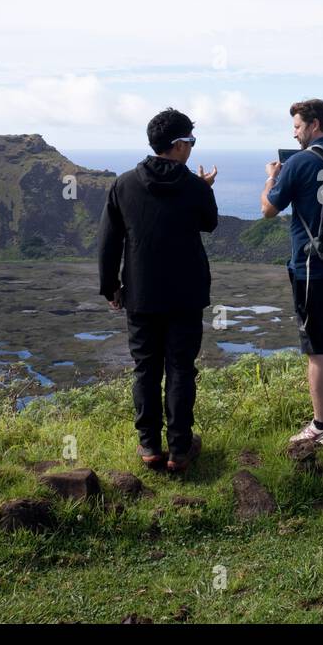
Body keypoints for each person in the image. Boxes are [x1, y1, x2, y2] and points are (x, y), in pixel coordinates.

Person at [99, 108, 218, 473]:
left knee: (145, 368)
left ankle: (149, 446)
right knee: (181, 369)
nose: (192, 148)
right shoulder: (195, 187)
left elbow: (108, 242)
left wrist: (110, 287)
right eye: (191, 142)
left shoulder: (123, 184)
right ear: (179, 145)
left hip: (141, 293)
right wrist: (204, 189)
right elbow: (209, 224)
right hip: (185, 294)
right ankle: (180, 450)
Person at [260, 99, 323, 449]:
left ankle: (322, 427)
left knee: (318, 351)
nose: (296, 134)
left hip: (311, 271)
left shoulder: (300, 162)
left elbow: (268, 209)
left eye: (298, 128)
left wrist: (272, 177)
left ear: (314, 125)